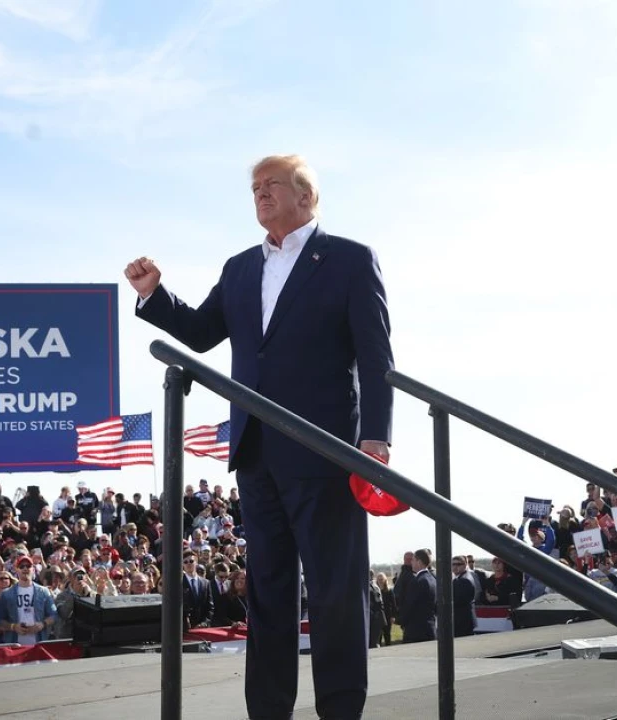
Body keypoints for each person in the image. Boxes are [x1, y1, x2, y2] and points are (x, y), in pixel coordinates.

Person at [127, 154, 394, 720]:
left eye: (271, 184)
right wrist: (156, 294)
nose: (260, 195)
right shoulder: (241, 267)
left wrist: (375, 440)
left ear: (307, 195)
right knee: (268, 594)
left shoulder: (348, 259)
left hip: (327, 450)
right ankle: (268, 711)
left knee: (334, 593)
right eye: (254, 188)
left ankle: (341, 710)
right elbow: (202, 333)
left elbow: (375, 358)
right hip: (256, 452)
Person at [398, 549, 437, 643]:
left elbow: (409, 606)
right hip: (429, 627)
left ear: (419, 562)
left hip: (416, 631)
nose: (411, 562)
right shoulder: (432, 579)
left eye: (413, 560)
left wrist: (402, 621)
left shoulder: (417, 581)